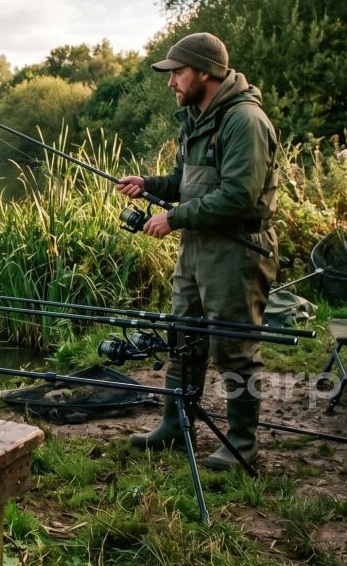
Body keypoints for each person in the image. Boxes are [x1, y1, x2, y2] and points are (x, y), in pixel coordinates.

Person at [115, 32, 278, 470]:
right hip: (197, 248)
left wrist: (174, 218)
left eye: (177, 73)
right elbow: (185, 182)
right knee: (182, 336)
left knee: (235, 347)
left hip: (237, 250)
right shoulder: (195, 116)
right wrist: (149, 186)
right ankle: (174, 425)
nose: (171, 83)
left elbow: (239, 196)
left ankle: (242, 442)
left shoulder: (245, 120)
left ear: (204, 72)